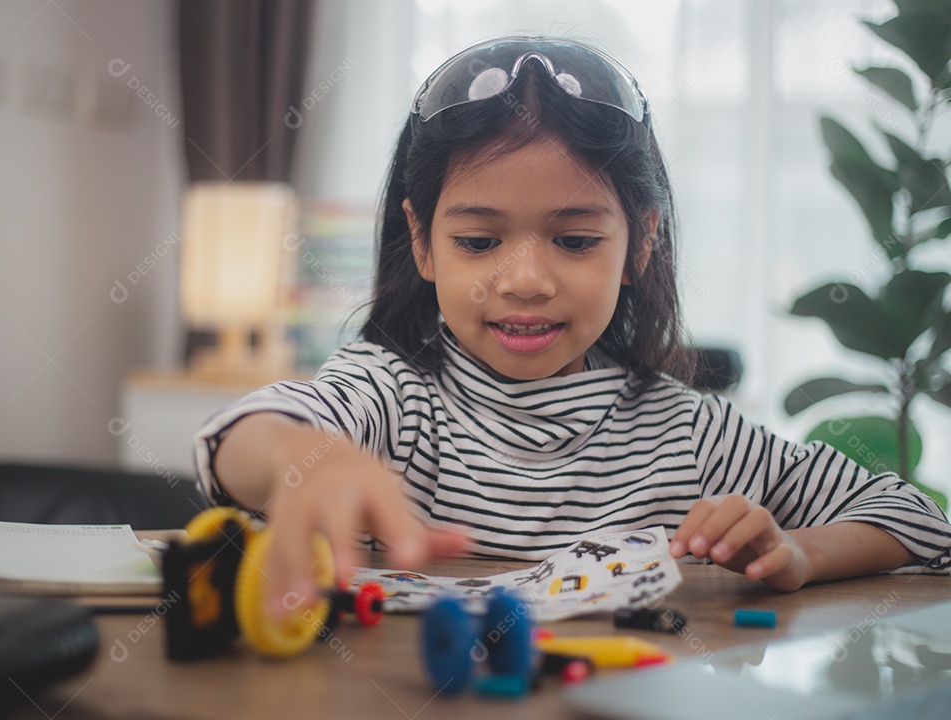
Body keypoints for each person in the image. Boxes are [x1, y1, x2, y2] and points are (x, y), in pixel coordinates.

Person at [195, 36, 951, 617]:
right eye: (479, 241)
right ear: (422, 243)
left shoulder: (687, 433)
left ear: (641, 242)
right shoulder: (389, 395)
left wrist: (798, 552)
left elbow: (918, 520)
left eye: (576, 240)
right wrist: (309, 458)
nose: (525, 280)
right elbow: (237, 439)